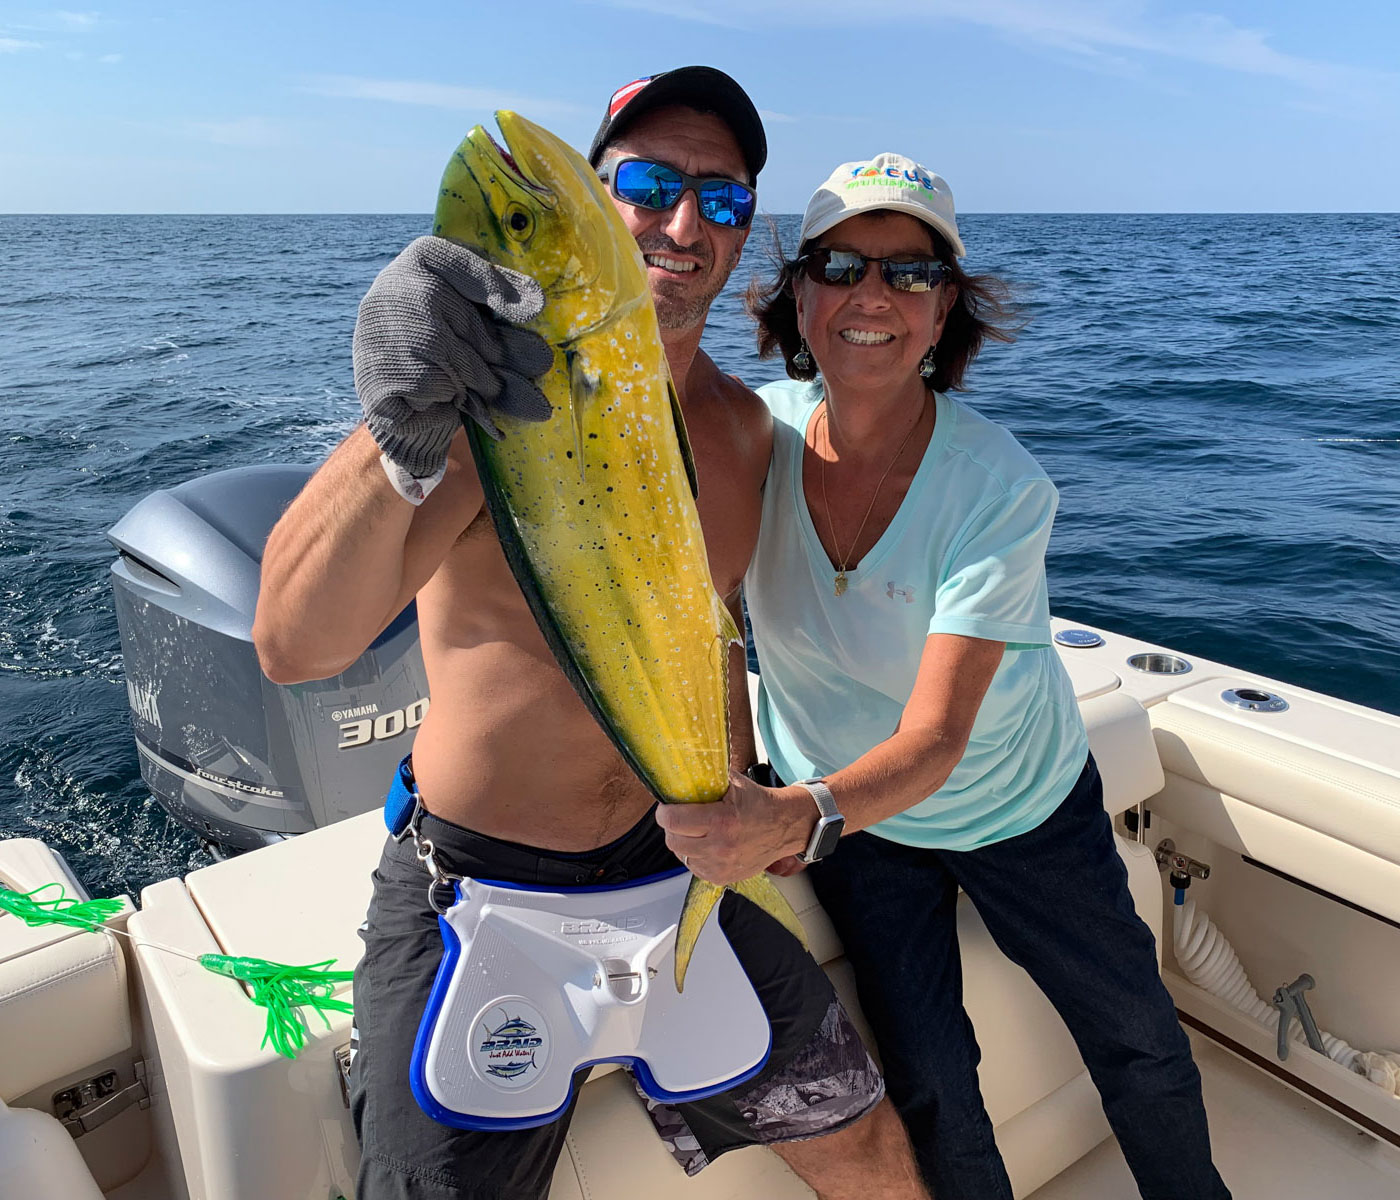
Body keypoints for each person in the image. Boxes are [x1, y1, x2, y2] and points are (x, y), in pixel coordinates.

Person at [253, 70, 927, 1200]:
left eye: (719, 200)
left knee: (862, 1142)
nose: (680, 223)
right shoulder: (486, 405)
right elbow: (293, 644)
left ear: (743, 233)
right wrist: (400, 431)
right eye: (650, 184)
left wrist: (750, 802)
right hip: (479, 891)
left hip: (678, 869)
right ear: (595, 199)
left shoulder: (742, 430)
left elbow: (706, 634)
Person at [658, 154, 1233, 1199]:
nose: (871, 294)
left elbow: (934, 740)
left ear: (942, 312)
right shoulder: (753, 435)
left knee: (1133, 1036)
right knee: (925, 1078)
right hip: (856, 827)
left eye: (910, 274)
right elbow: (718, 618)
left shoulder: (1000, 489)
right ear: (799, 297)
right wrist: (747, 776)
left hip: (1013, 808)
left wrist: (788, 818)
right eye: (838, 264)